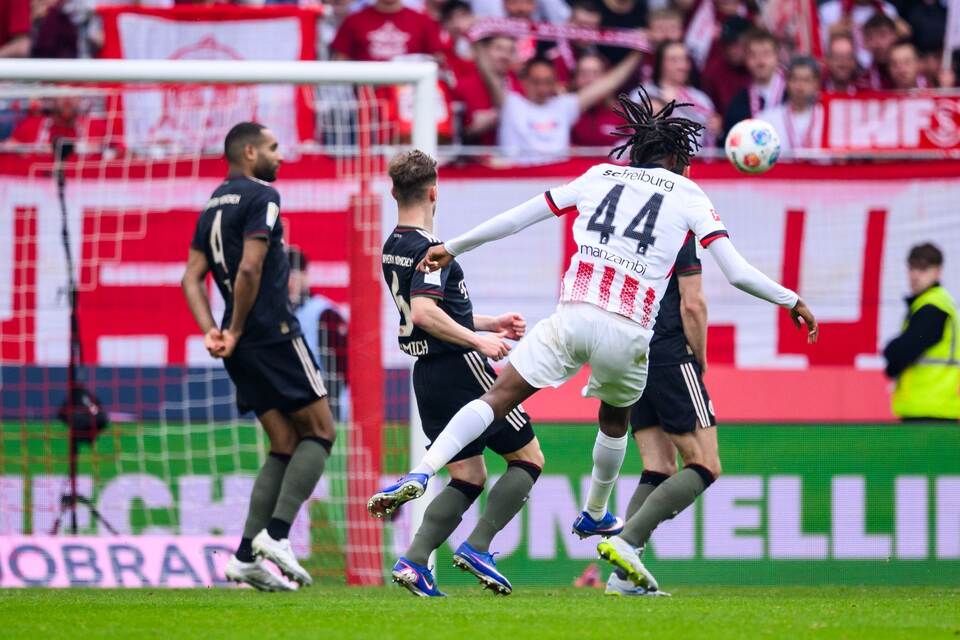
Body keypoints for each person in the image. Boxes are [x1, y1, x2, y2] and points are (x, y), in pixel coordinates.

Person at [369, 88, 819, 592]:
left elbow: (520, 216)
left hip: (572, 316)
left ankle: (423, 471)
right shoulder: (689, 195)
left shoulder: (600, 175)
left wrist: (453, 246)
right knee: (615, 418)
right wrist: (790, 300)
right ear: (677, 159)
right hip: (629, 332)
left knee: (496, 399)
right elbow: (735, 272)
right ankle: (596, 512)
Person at [379, 150, 545, 597]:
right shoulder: (432, 249)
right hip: (462, 367)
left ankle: (415, 561)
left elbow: (431, 313)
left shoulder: (393, 245)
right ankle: (478, 547)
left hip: (427, 375)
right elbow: (425, 312)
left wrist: (489, 323)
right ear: (434, 192)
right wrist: (479, 342)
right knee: (528, 459)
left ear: (394, 192)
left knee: (468, 476)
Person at [181, 122, 337, 591]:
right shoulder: (263, 195)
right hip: (272, 332)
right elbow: (251, 266)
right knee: (321, 431)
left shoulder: (212, 205)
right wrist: (235, 329)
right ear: (249, 153)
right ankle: (279, 535)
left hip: (240, 344)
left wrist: (214, 331)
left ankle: (247, 556)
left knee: (284, 442)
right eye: (273, 147)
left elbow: (190, 278)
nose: (280, 155)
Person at [604, 233, 710, 597]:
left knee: (659, 468)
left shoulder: (623, 227)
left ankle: (622, 578)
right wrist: (699, 357)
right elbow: (692, 303)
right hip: (668, 352)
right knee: (705, 463)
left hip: (628, 350)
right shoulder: (679, 227)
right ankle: (626, 542)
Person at [479, 52, 642, 162]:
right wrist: (474, 40)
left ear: (555, 81)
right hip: (514, 180)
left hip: (555, 179)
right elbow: (487, 72)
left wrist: (638, 52)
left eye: (548, 82)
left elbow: (609, 82)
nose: (542, 88)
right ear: (524, 81)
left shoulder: (564, 105)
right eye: (536, 82)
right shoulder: (510, 103)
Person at [884, 243, 959, 423]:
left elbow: (902, 350)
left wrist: (890, 351)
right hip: (934, 409)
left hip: (930, 412)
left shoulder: (933, 307)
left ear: (938, 272)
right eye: (912, 268)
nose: (915, 275)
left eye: (923, 269)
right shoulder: (934, 303)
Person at [288, 248, 349, 421]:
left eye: (293, 275)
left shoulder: (324, 313)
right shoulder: (277, 314)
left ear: (304, 276)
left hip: (323, 403)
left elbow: (340, 370)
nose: (288, 282)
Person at [639, 40, 721, 147]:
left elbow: (712, 140)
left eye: (685, 59)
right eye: (674, 60)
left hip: (696, 156)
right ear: (660, 63)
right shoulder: (642, 93)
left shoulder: (702, 99)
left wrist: (716, 128)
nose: (682, 66)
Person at [330, 0, 442, 61]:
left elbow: (438, 59)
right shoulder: (353, 21)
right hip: (366, 92)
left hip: (410, 92)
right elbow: (340, 60)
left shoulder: (423, 21)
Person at [723, 29, 784, 140]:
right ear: (745, 59)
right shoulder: (738, 102)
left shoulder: (794, 94)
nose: (760, 61)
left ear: (777, 56)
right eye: (753, 55)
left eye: (766, 54)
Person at [756, 56, 823, 153]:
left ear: (816, 84)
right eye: (795, 79)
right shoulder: (766, 120)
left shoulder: (827, 118)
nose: (800, 86)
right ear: (787, 82)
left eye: (806, 80)